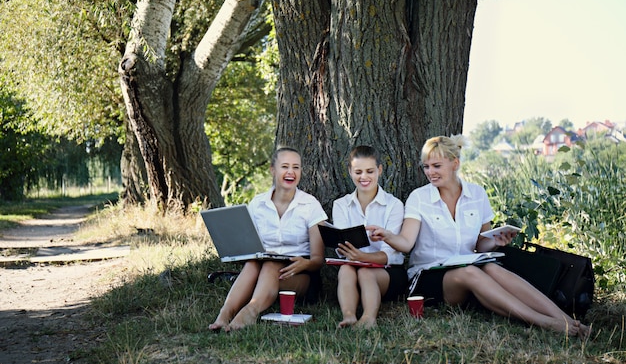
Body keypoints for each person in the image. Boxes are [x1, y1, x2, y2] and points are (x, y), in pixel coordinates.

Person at [368, 135, 591, 337]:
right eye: (426, 166)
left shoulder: (477, 194)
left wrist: (496, 241)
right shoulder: (419, 197)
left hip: (469, 266)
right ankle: (544, 322)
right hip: (428, 276)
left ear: (455, 164)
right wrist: (387, 235)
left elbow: (481, 245)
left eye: (436, 166)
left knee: (493, 267)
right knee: (470, 273)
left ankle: (568, 320)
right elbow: (406, 243)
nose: (430, 172)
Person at [209, 147, 327, 332]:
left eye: (296, 167)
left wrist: (304, 264)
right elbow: (247, 244)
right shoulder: (258, 203)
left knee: (271, 265)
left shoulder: (310, 205)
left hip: (298, 273)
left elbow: (318, 260)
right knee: (254, 264)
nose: (291, 172)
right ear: (273, 170)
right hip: (259, 268)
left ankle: (250, 311)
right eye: (285, 166)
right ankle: (224, 314)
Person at [332, 145, 407, 329]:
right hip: (352, 269)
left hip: (387, 273)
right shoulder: (341, 205)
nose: (363, 177)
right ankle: (349, 316)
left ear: (379, 170)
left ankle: (368, 318)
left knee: (366, 272)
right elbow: (342, 248)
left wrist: (362, 257)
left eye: (369, 171)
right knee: (345, 269)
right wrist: (354, 256)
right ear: (350, 171)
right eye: (358, 171)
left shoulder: (393, 205)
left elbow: (390, 255)